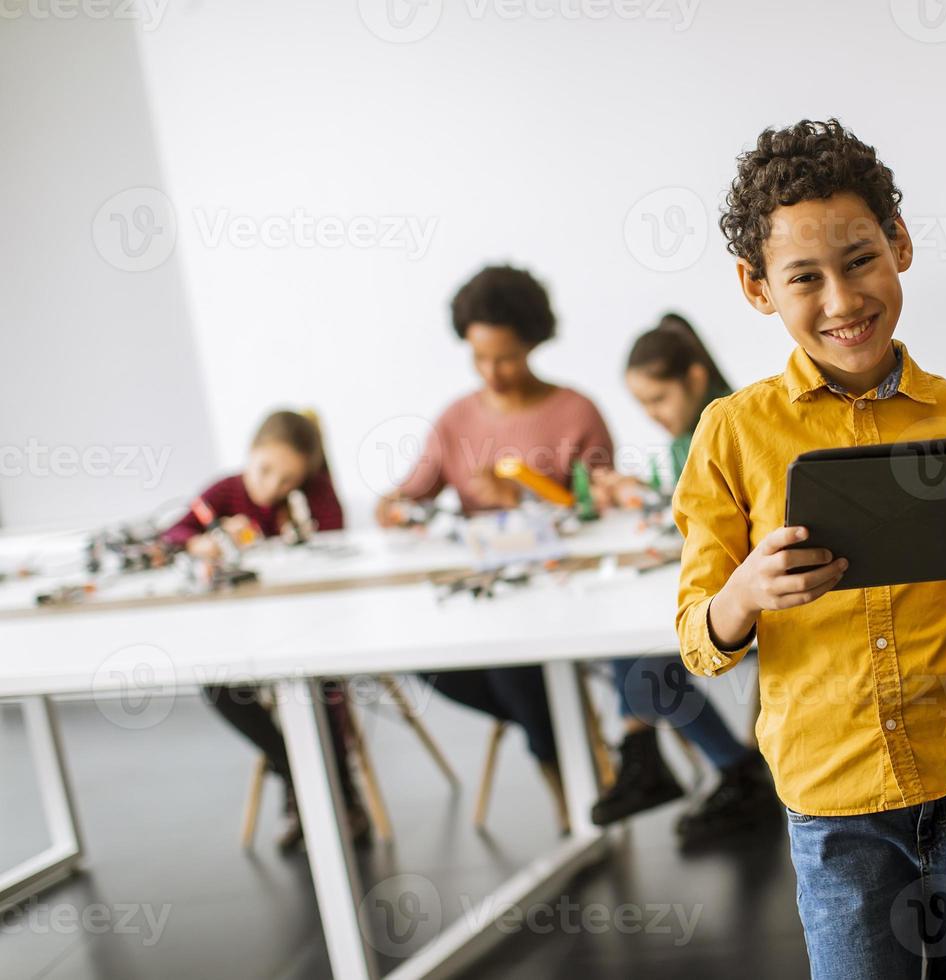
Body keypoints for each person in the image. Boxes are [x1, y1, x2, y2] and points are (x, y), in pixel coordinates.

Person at [674, 119, 946, 979]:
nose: (843, 301)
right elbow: (698, 640)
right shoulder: (730, 435)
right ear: (757, 287)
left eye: (860, 261)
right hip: (835, 808)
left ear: (900, 245)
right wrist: (742, 595)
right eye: (804, 278)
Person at [376, 264, 615, 834]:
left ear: (533, 342)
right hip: (484, 590)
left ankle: (565, 780)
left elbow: (601, 508)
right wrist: (395, 509)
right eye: (479, 358)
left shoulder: (575, 411)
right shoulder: (456, 419)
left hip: (559, 591)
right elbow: (407, 496)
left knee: (515, 664)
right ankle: (568, 738)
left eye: (505, 357)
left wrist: (524, 494)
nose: (492, 372)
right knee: (430, 662)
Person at [588, 313, 777, 847]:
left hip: (754, 596)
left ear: (693, 379)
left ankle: (708, 765)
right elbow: (690, 514)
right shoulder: (685, 435)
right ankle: (662, 757)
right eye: (642, 405)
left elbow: (723, 527)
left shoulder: (724, 426)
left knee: (640, 654)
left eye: (658, 400)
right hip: (718, 583)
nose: (652, 416)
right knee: (635, 650)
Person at [161, 410, 368, 851]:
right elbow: (171, 536)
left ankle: (337, 798)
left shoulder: (313, 494)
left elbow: (336, 541)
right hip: (245, 634)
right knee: (218, 686)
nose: (273, 486)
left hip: (309, 629)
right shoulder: (223, 493)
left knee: (317, 685)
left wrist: (301, 522)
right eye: (266, 470)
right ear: (249, 455)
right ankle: (303, 776)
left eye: (288, 479)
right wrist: (203, 541)